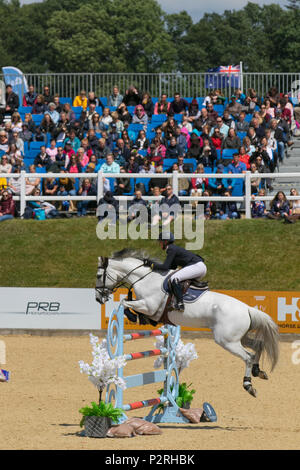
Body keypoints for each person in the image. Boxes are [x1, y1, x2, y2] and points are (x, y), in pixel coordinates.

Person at [143, 232, 207, 311]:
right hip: (199, 267)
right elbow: (171, 267)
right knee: (177, 277)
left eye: (160, 241)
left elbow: (165, 267)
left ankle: (180, 303)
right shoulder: (173, 248)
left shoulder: (171, 249)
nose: (159, 244)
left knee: (174, 278)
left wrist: (151, 265)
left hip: (196, 266)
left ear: (165, 242)